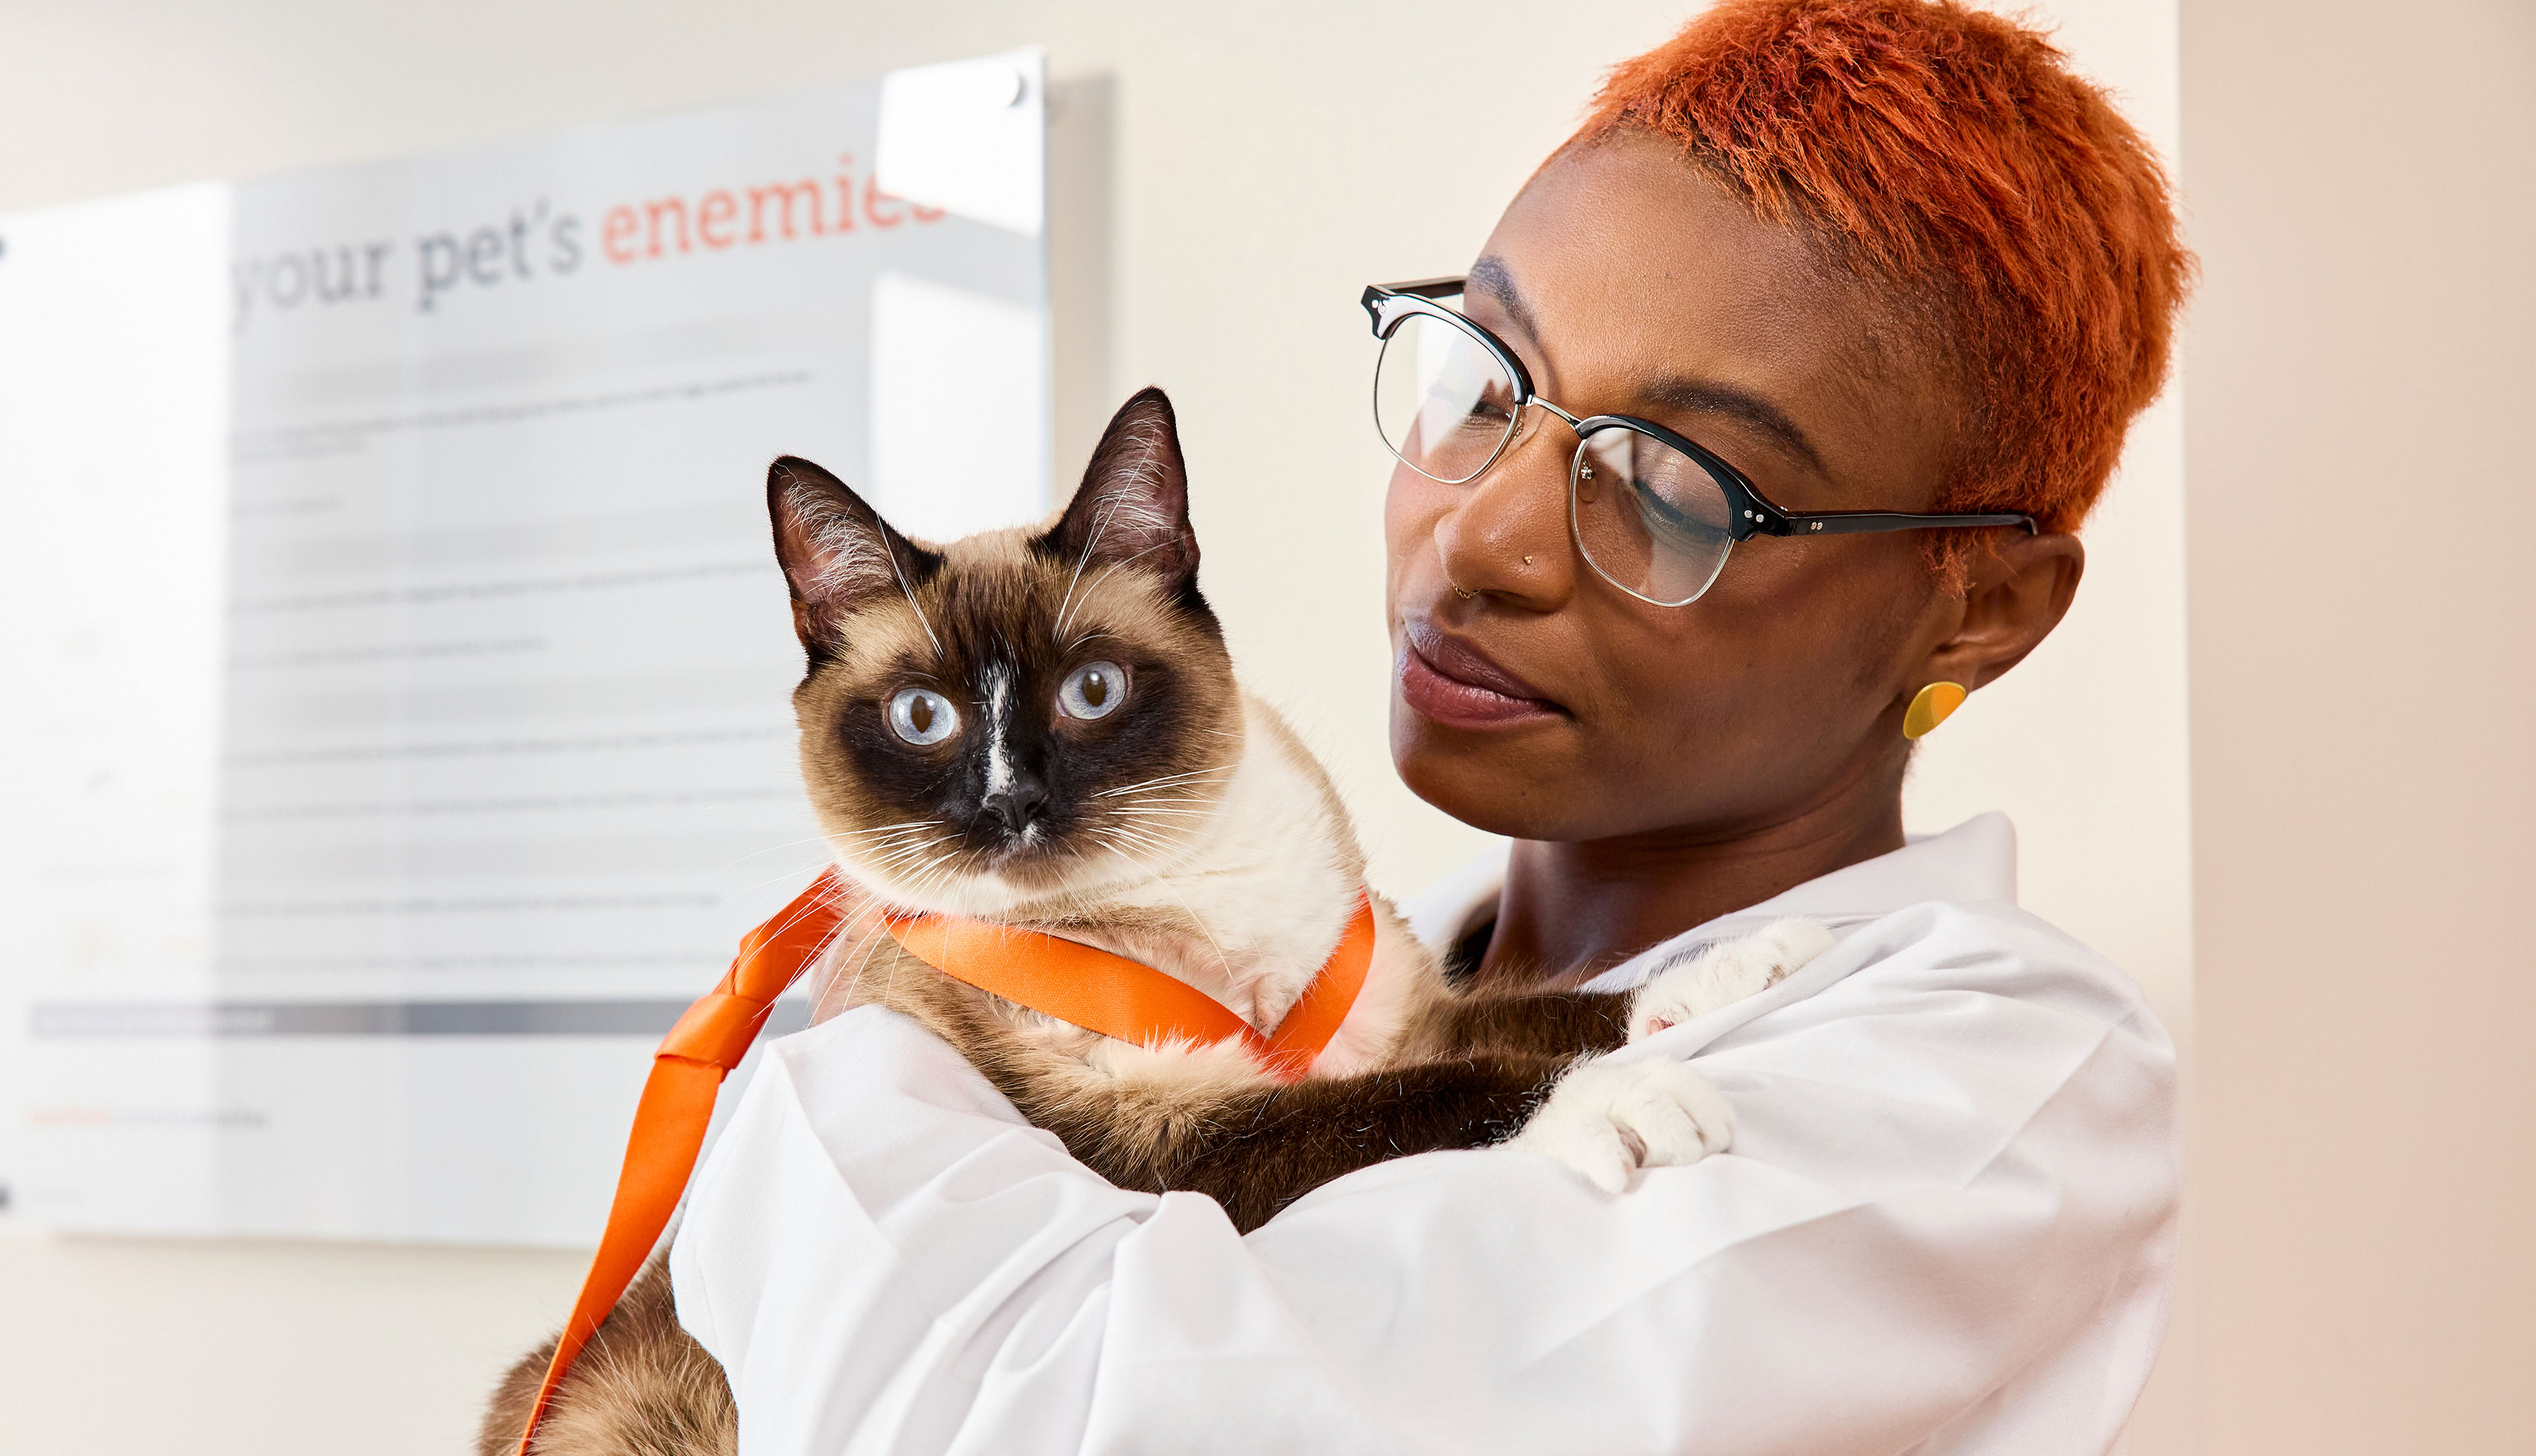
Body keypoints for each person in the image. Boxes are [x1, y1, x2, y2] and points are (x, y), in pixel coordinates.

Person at [668, 0, 2191, 1449]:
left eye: (1671, 485)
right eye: (1483, 382)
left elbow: (1042, 1422)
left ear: (1976, 608)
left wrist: (859, 1034)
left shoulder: (1985, 1086)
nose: (1482, 540)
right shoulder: (1359, 961)